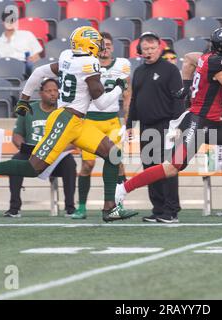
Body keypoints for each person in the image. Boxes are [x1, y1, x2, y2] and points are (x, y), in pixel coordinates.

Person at [0, 26, 137, 223]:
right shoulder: (90, 63)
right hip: (66, 121)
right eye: (96, 42)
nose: (100, 46)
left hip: (77, 121)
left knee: (113, 154)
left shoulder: (68, 55)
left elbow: (39, 71)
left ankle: (110, 208)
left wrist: (24, 98)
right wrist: (120, 87)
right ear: (89, 45)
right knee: (34, 168)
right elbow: (102, 103)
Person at [116, 28, 222, 217]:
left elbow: (189, 58)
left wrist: (186, 85)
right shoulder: (218, 64)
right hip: (198, 123)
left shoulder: (208, 57)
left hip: (211, 124)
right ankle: (123, 189)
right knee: (170, 168)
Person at [125, 32, 183, 223]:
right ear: (140, 51)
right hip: (145, 127)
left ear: (159, 48)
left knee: (166, 168)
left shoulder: (170, 70)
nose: (149, 52)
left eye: (153, 48)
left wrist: (177, 125)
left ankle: (171, 210)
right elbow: (134, 100)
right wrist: (130, 125)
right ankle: (158, 209)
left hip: (166, 125)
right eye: (146, 49)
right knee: (150, 168)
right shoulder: (139, 72)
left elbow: (178, 98)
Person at [73, 32, 132, 219]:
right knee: (87, 165)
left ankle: (117, 204)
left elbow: (128, 95)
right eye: (101, 44)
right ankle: (81, 207)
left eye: (107, 44)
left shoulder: (123, 65)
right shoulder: (88, 64)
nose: (105, 48)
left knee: (117, 163)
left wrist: (127, 122)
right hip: (89, 120)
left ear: (112, 47)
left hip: (112, 120)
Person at [5, 79, 77, 218]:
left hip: (55, 157)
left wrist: (58, 149)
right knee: (15, 162)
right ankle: (14, 208)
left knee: (70, 163)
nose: (53, 94)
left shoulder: (64, 112)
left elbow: (74, 141)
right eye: (49, 91)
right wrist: (22, 146)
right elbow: (17, 135)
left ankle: (70, 208)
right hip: (32, 156)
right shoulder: (28, 110)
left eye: (56, 90)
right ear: (40, 93)